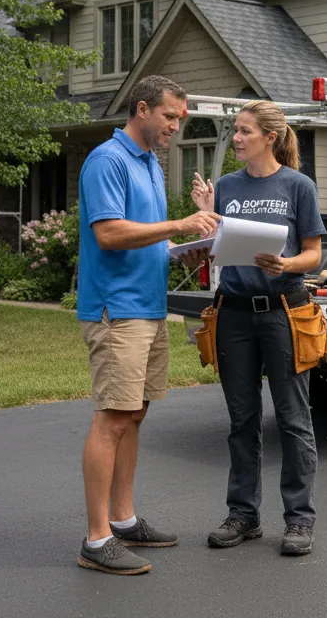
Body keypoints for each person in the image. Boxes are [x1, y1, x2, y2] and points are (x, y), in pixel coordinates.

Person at [75, 75, 218, 576]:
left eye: (181, 119)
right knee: (111, 418)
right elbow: (110, 234)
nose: (177, 127)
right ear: (142, 109)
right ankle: (96, 540)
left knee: (133, 415)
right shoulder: (107, 161)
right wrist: (179, 226)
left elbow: (147, 238)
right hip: (118, 311)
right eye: (170, 117)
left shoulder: (151, 166)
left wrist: (188, 242)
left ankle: (123, 518)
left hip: (149, 307)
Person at [191, 100, 325, 557]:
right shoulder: (226, 186)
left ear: (270, 137)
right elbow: (210, 251)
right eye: (236, 131)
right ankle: (243, 515)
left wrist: (286, 262)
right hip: (233, 314)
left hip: (283, 311)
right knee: (242, 420)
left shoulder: (298, 186)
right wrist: (206, 216)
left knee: (292, 418)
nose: (237, 138)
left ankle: (300, 520)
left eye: (245, 131)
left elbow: (313, 254)